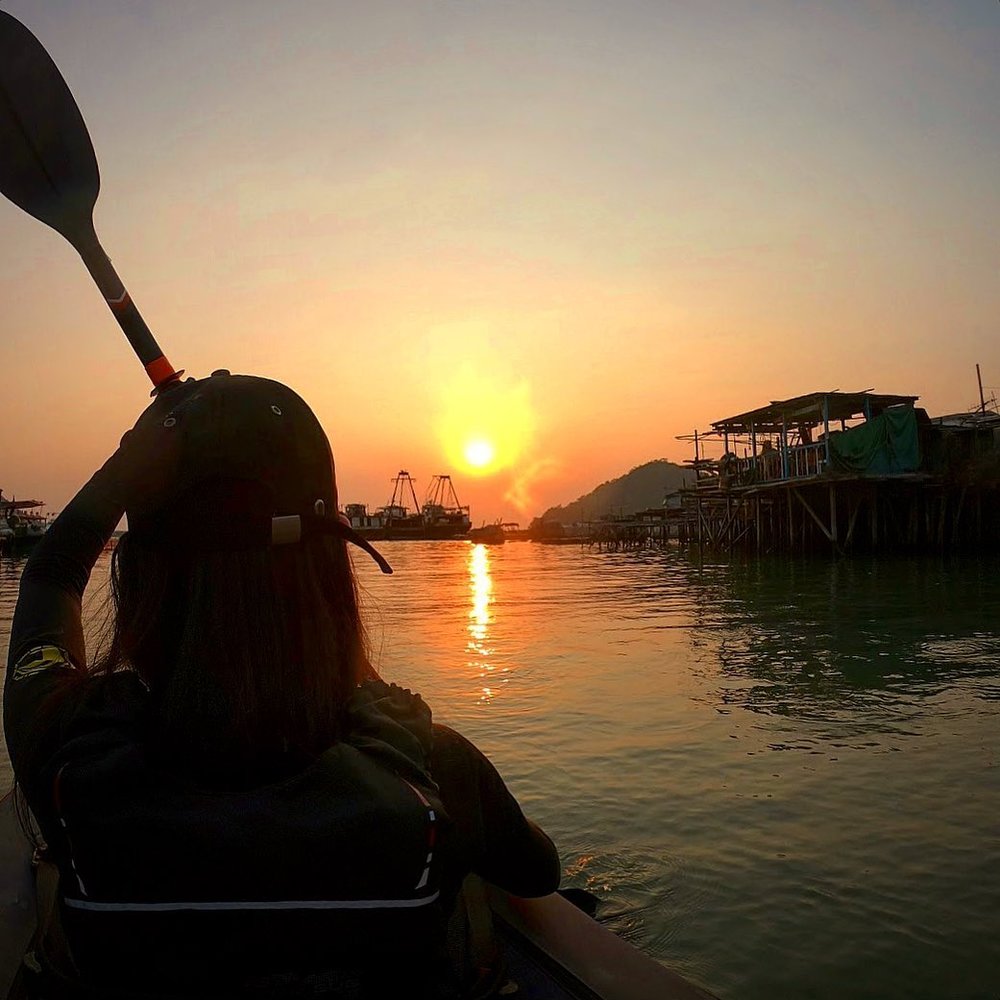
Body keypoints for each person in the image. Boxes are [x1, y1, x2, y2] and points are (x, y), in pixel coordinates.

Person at [3, 371, 560, 998]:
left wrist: (127, 466)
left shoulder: (66, 763)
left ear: (134, 582)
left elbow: (49, 577)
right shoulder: (434, 769)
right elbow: (538, 872)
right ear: (333, 579)